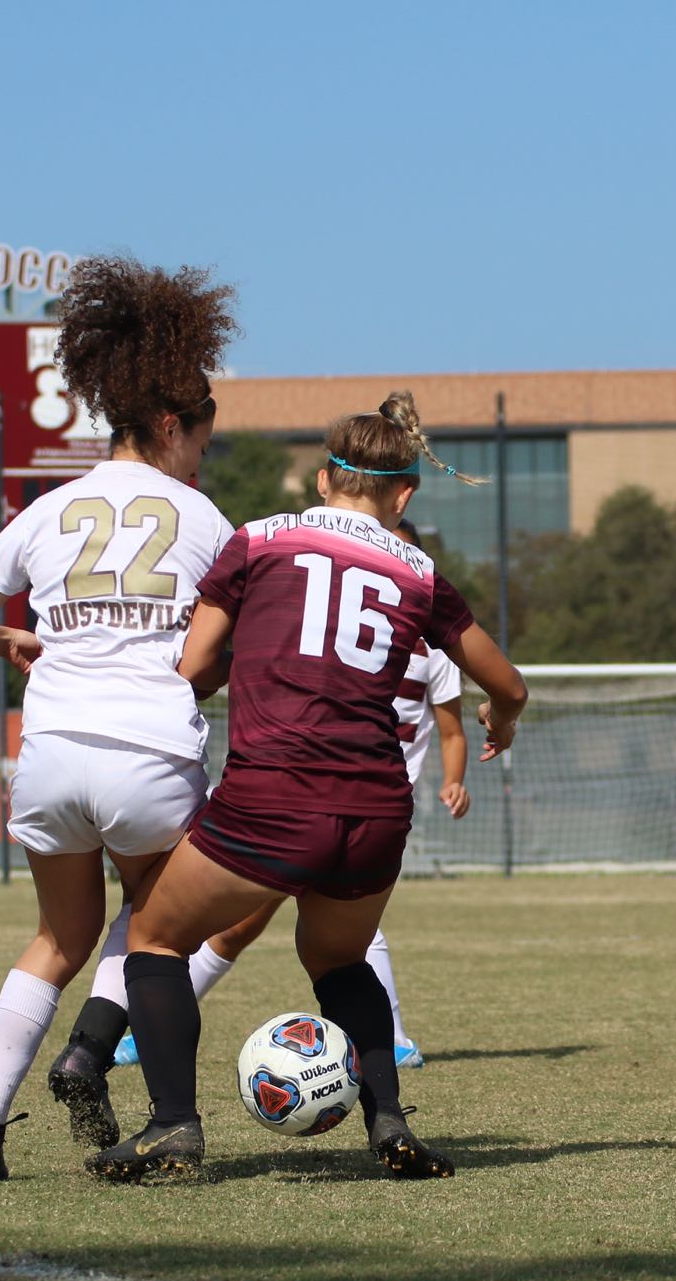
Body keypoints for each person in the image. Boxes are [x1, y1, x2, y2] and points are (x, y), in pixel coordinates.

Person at [90, 392, 527, 1183]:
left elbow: (192, 668)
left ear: (324, 478)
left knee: (154, 939)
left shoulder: (257, 541)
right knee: (338, 959)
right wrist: (504, 718)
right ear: (404, 495)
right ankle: (389, 1122)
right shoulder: (421, 572)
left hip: (273, 796)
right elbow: (508, 682)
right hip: (374, 811)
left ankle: (172, 1128)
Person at [0, 255, 237, 1181]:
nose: (202, 460)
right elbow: (212, 656)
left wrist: (14, 645)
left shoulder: (48, 509)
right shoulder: (204, 519)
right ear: (173, 426)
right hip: (149, 749)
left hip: (52, 751)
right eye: (202, 443)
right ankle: (113, 1075)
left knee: (60, 939)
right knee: (162, 926)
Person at [108, 518, 469, 1070]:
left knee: (310, 939)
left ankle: (391, 1039)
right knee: (279, 936)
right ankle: (387, 1082)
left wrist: (452, 777)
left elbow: (450, 727)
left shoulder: (424, 648)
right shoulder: (354, 624)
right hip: (352, 803)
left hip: (328, 796)